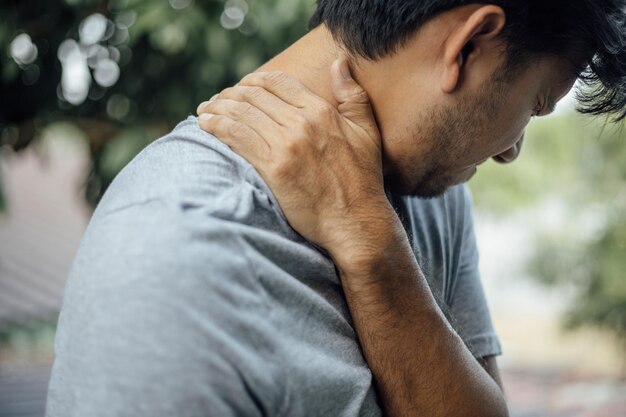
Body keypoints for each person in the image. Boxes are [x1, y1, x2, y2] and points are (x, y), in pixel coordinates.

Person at [46, 1, 625, 416]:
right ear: (469, 44)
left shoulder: (432, 188)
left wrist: (373, 244)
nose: (511, 150)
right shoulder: (168, 253)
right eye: (536, 103)